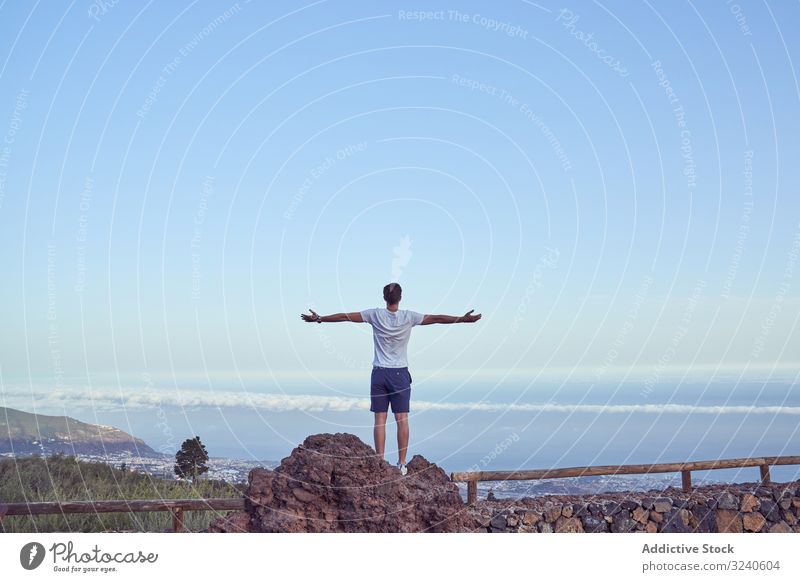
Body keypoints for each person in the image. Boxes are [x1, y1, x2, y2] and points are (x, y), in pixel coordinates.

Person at [300, 282, 481, 475]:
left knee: (380, 419)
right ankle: (401, 464)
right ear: (400, 298)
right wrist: (462, 319)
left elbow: (345, 317)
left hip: (379, 373)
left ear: (384, 297)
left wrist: (320, 319)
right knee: (402, 419)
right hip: (399, 374)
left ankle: (379, 462)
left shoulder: (374, 314)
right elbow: (436, 318)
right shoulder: (409, 317)